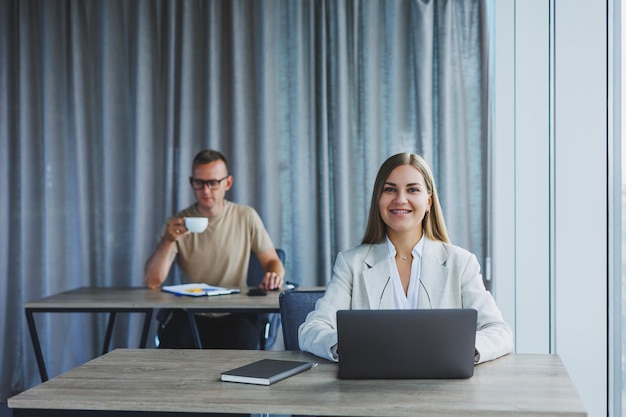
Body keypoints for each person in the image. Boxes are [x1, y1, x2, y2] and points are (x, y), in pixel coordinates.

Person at [299, 152, 513, 363]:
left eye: (413, 189)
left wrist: (461, 348)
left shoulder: (461, 263)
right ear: (378, 200)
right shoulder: (351, 263)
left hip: (443, 389)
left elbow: (500, 332)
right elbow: (311, 330)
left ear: (428, 202)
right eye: (390, 189)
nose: (400, 199)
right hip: (370, 390)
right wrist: (349, 345)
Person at [144, 149, 285, 349]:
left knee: (243, 345)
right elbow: (152, 281)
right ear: (191, 182)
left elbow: (273, 262)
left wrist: (274, 275)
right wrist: (167, 240)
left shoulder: (245, 216)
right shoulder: (177, 224)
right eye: (199, 183)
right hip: (190, 313)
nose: (206, 191)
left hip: (235, 312)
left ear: (227, 183)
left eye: (213, 183)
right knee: (171, 349)